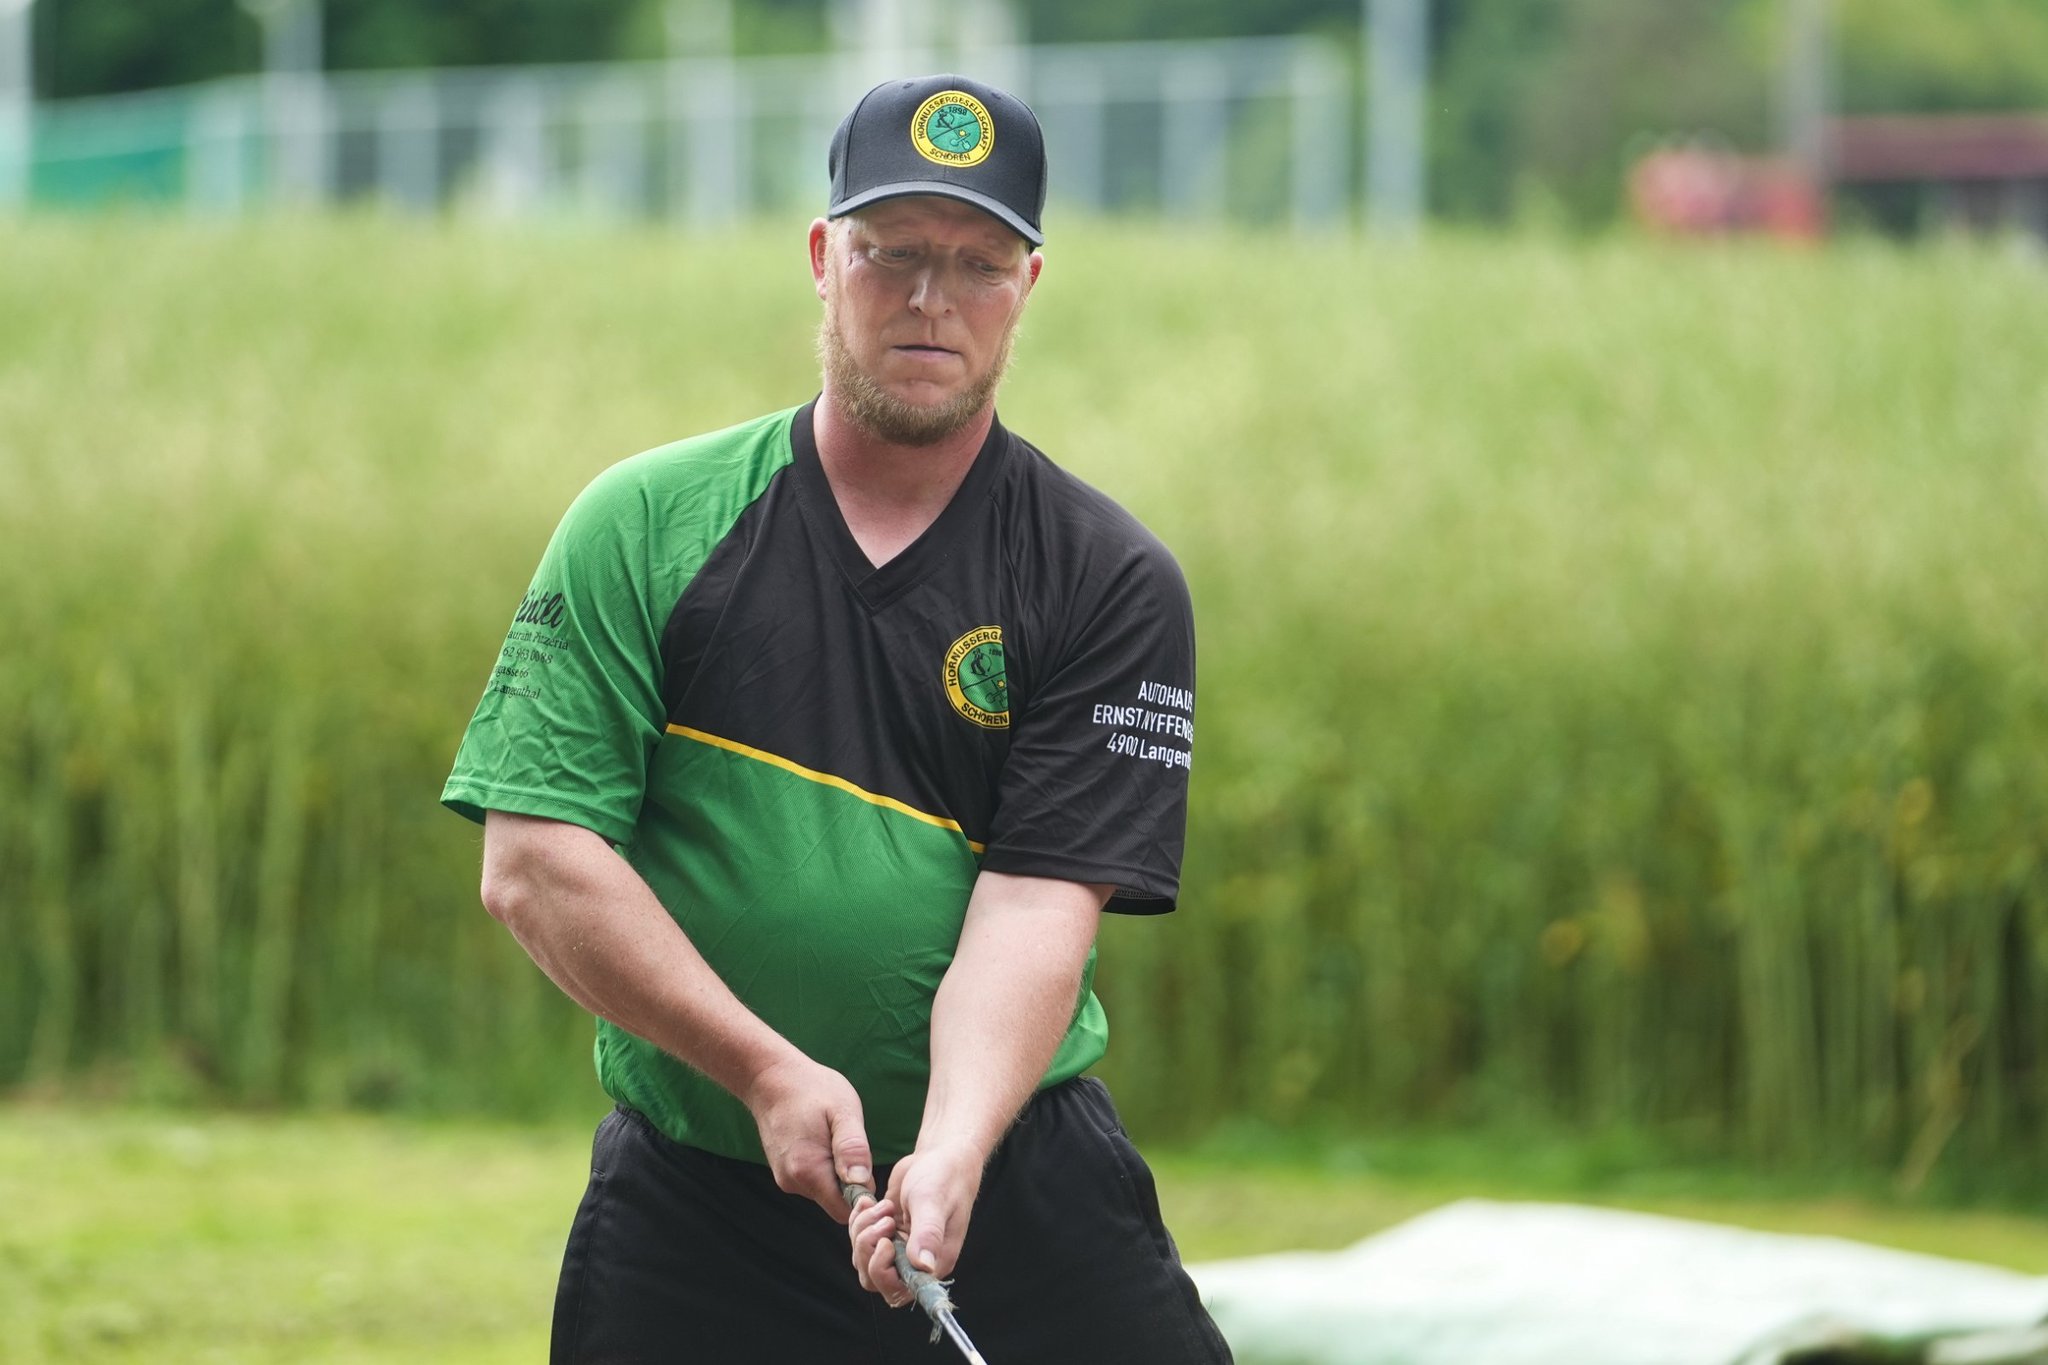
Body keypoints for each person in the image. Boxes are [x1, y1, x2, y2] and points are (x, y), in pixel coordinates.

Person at [442, 72, 1230, 1364]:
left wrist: (955, 1143)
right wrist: (764, 1070)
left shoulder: (1108, 578)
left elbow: (1037, 909)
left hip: (1014, 1178)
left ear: (1029, 284)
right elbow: (532, 860)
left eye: (978, 264)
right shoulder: (641, 526)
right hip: (695, 1192)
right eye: (893, 253)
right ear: (822, 259)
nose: (931, 299)